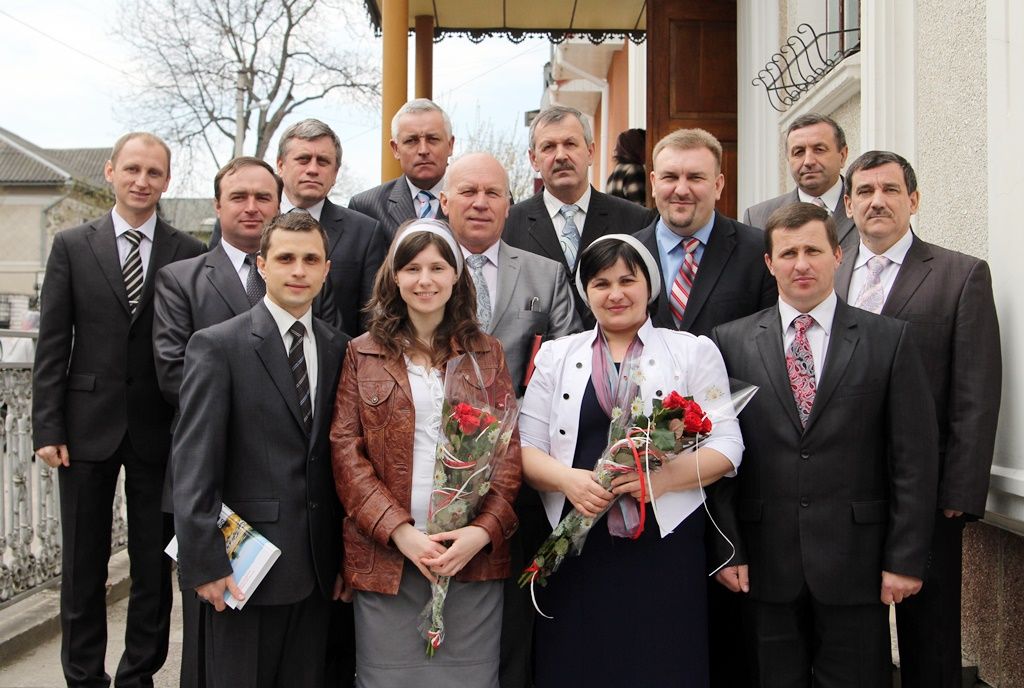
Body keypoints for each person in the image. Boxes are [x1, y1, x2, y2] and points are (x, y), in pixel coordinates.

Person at [710, 202, 939, 687]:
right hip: (764, 562)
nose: (801, 264)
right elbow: (720, 461)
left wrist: (904, 558)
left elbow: (913, 461)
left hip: (857, 561)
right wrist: (729, 549)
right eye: (788, 253)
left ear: (838, 255)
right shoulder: (729, 342)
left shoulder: (889, 340)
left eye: (813, 250)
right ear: (769, 263)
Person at [152, 155, 345, 687]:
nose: (298, 270)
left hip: (316, 566)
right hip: (243, 566)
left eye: (310, 259)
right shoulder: (217, 346)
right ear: (263, 266)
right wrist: (204, 561)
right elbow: (194, 462)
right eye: (285, 258)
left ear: (327, 270)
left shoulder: (340, 348)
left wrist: (344, 561)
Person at [519, 233, 744, 687]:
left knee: (662, 663)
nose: (615, 293)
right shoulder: (557, 355)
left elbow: (727, 446)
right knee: (577, 665)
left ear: (649, 285)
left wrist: (660, 482)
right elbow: (525, 449)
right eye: (601, 283)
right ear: (586, 292)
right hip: (577, 542)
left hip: (664, 541)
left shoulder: (691, 350)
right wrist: (567, 480)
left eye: (627, 280)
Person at [31, 132, 204, 687]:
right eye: (132, 169)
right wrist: (47, 426)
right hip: (85, 427)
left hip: (160, 428)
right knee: (83, 562)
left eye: (153, 172)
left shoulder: (187, 251)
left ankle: (137, 675)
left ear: (167, 181)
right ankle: (83, 675)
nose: (141, 181)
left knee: (154, 565)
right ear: (110, 171)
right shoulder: (72, 245)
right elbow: (52, 342)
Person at [330, 220, 521, 687]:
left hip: (469, 560)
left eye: (437, 267)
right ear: (394, 276)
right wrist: (401, 533)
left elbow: (507, 455)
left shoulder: (488, 353)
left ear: (456, 275)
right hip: (389, 559)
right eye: (412, 268)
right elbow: (346, 454)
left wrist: (481, 532)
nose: (425, 280)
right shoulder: (361, 353)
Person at [835, 151, 1001, 688]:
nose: (877, 201)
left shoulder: (960, 275)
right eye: (864, 191)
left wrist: (961, 492)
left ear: (914, 199)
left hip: (927, 493)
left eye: (889, 190)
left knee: (930, 637)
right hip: (843, 490)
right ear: (848, 204)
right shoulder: (828, 273)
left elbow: (975, 392)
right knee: (852, 636)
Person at [440, 151, 580, 688]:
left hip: (519, 474)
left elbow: (566, 367)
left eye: (493, 193)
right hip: (434, 474)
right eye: (468, 191)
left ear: (509, 203)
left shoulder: (545, 272)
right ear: (445, 201)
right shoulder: (420, 268)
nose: (480, 202)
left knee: (516, 618)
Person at [503, 105, 655, 324]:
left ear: (590, 152)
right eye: (548, 147)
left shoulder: (637, 221)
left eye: (570, 144)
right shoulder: (509, 225)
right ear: (533, 159)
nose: (561, 156)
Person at [635, 127, 776, 337]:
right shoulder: (627, 253)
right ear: (654, 183)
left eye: (695, 178)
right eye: (670, 177)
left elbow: (768, 337)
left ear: (718, 185)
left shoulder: (758, 250)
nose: (681, 190)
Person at [743, 113, 856, 251]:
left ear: (843, 155)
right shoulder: (758, 219)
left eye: (819, 150)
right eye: (799, 152)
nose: (808, 161)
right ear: (788, 159)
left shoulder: (866, 207)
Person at [349, 99, 454, 239]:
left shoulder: (472, 202)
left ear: (450, 145)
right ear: (395, 149)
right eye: (411, 141)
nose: (423, 150)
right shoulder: (365, 208)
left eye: (432, 139)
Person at [605, 127, 647, 205]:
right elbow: (640, 207)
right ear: (638, 147)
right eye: (645, 146)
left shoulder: (613, 175)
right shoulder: (634, 170)